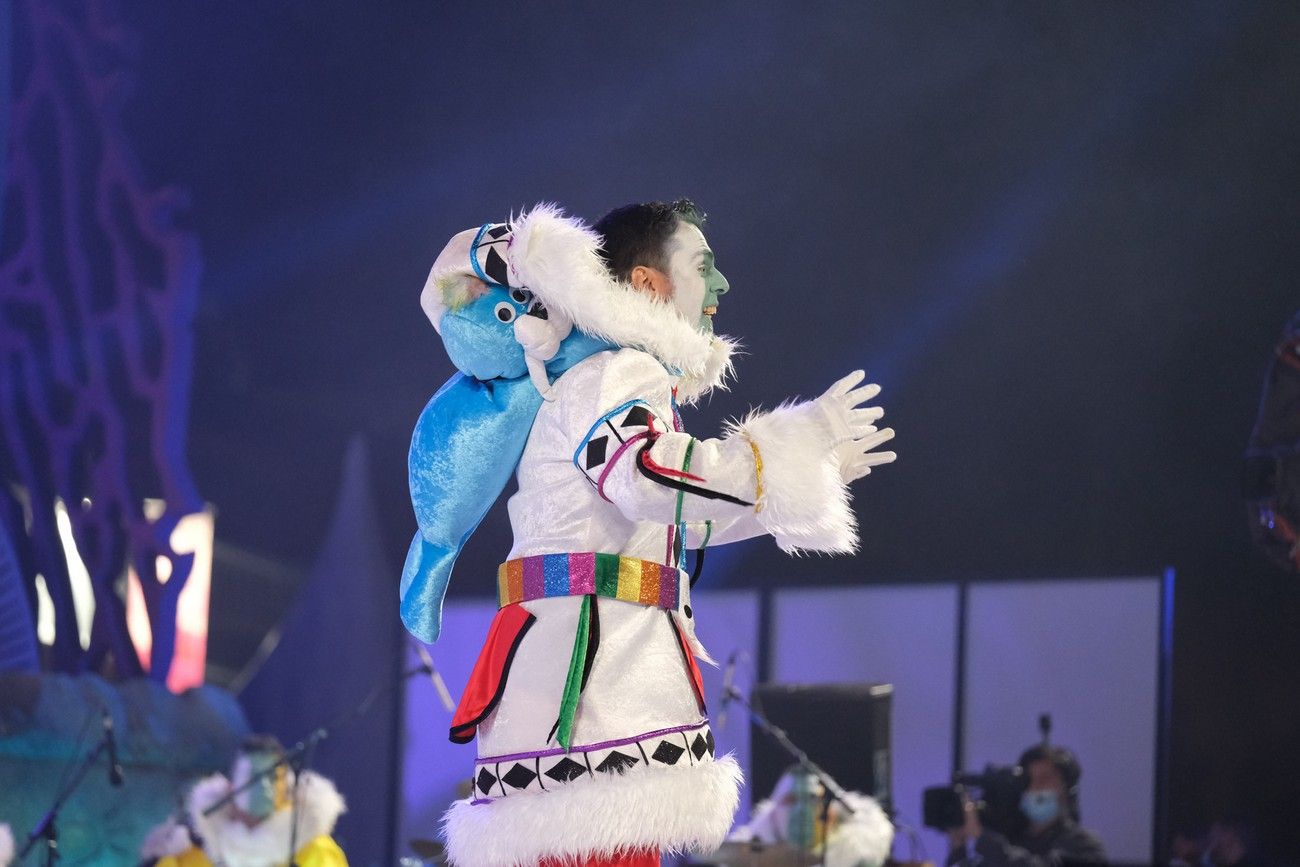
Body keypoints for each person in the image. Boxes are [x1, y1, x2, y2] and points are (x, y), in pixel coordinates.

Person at [402, 200, 897, 867]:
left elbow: (675, 510)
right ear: (646, 284)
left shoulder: (608, 377)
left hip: (583, 686)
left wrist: (803, 480)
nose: (720, 287)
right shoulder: (619, 371)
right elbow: (644, 476)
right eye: (704, 266)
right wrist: (782, 451)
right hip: (588, 690)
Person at [140, 735, 348, 867]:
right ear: (231, 787)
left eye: (273, 778)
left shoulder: (314, 852)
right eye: (253, 777)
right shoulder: (190, 855)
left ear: (286, 787)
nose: (263, 788)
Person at [946, 745, 1106, 866]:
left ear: (1067, 789)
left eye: (1044, 779)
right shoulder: (1011, 840)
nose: (1035, 787)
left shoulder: (1085, 845)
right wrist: (959, 847)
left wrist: (981, 836)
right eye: (1029, 781)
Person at [729, 766, 894, 867]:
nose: (802, 810)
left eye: (812, 799)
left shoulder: (857, 857)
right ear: (773, 814)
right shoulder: (747, 857)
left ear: (831, 813)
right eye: (791, 799)